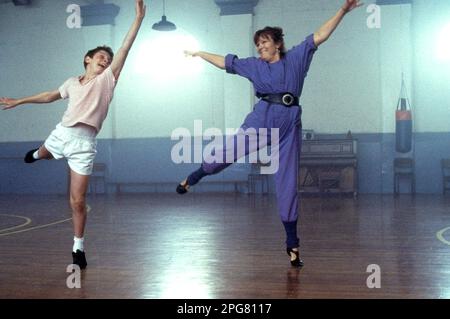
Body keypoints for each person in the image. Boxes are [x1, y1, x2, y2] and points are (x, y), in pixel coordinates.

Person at [177, 0, 362, 267]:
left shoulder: (297, 58)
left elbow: (320, 35)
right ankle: (195, 176)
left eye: (264, 42)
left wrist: (343, 10)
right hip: (261, 119)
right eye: (258, 44)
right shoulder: (253, 65)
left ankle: (292, 244)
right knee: (226, 154)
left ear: (277, 43)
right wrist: (199, 53)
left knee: (287, 183)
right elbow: (224, 62)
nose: (260, 47)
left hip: (289, 123)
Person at [0, 0, 146, 269]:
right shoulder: (71, 82)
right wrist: (19, 101)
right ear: (87, 59)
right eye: (101, 56)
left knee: (77, 201)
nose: (106, 60)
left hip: (84, 143)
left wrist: (137, 18)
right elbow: (49, 96)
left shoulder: (108, 80)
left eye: (109, 59)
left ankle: (78, 247)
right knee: (43, 153)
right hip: (61, 134)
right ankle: (36, 153)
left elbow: (125, 47)